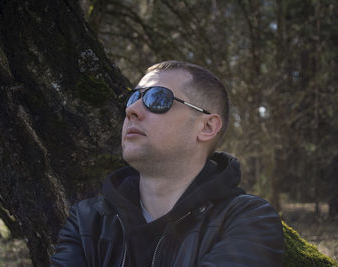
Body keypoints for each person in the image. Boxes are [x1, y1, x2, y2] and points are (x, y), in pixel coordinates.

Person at [50, 61, 284, 266]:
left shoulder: (247, 220)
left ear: (207, 127)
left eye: (158, 98)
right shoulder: (88, 221)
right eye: (133, 98)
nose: (131, 110)